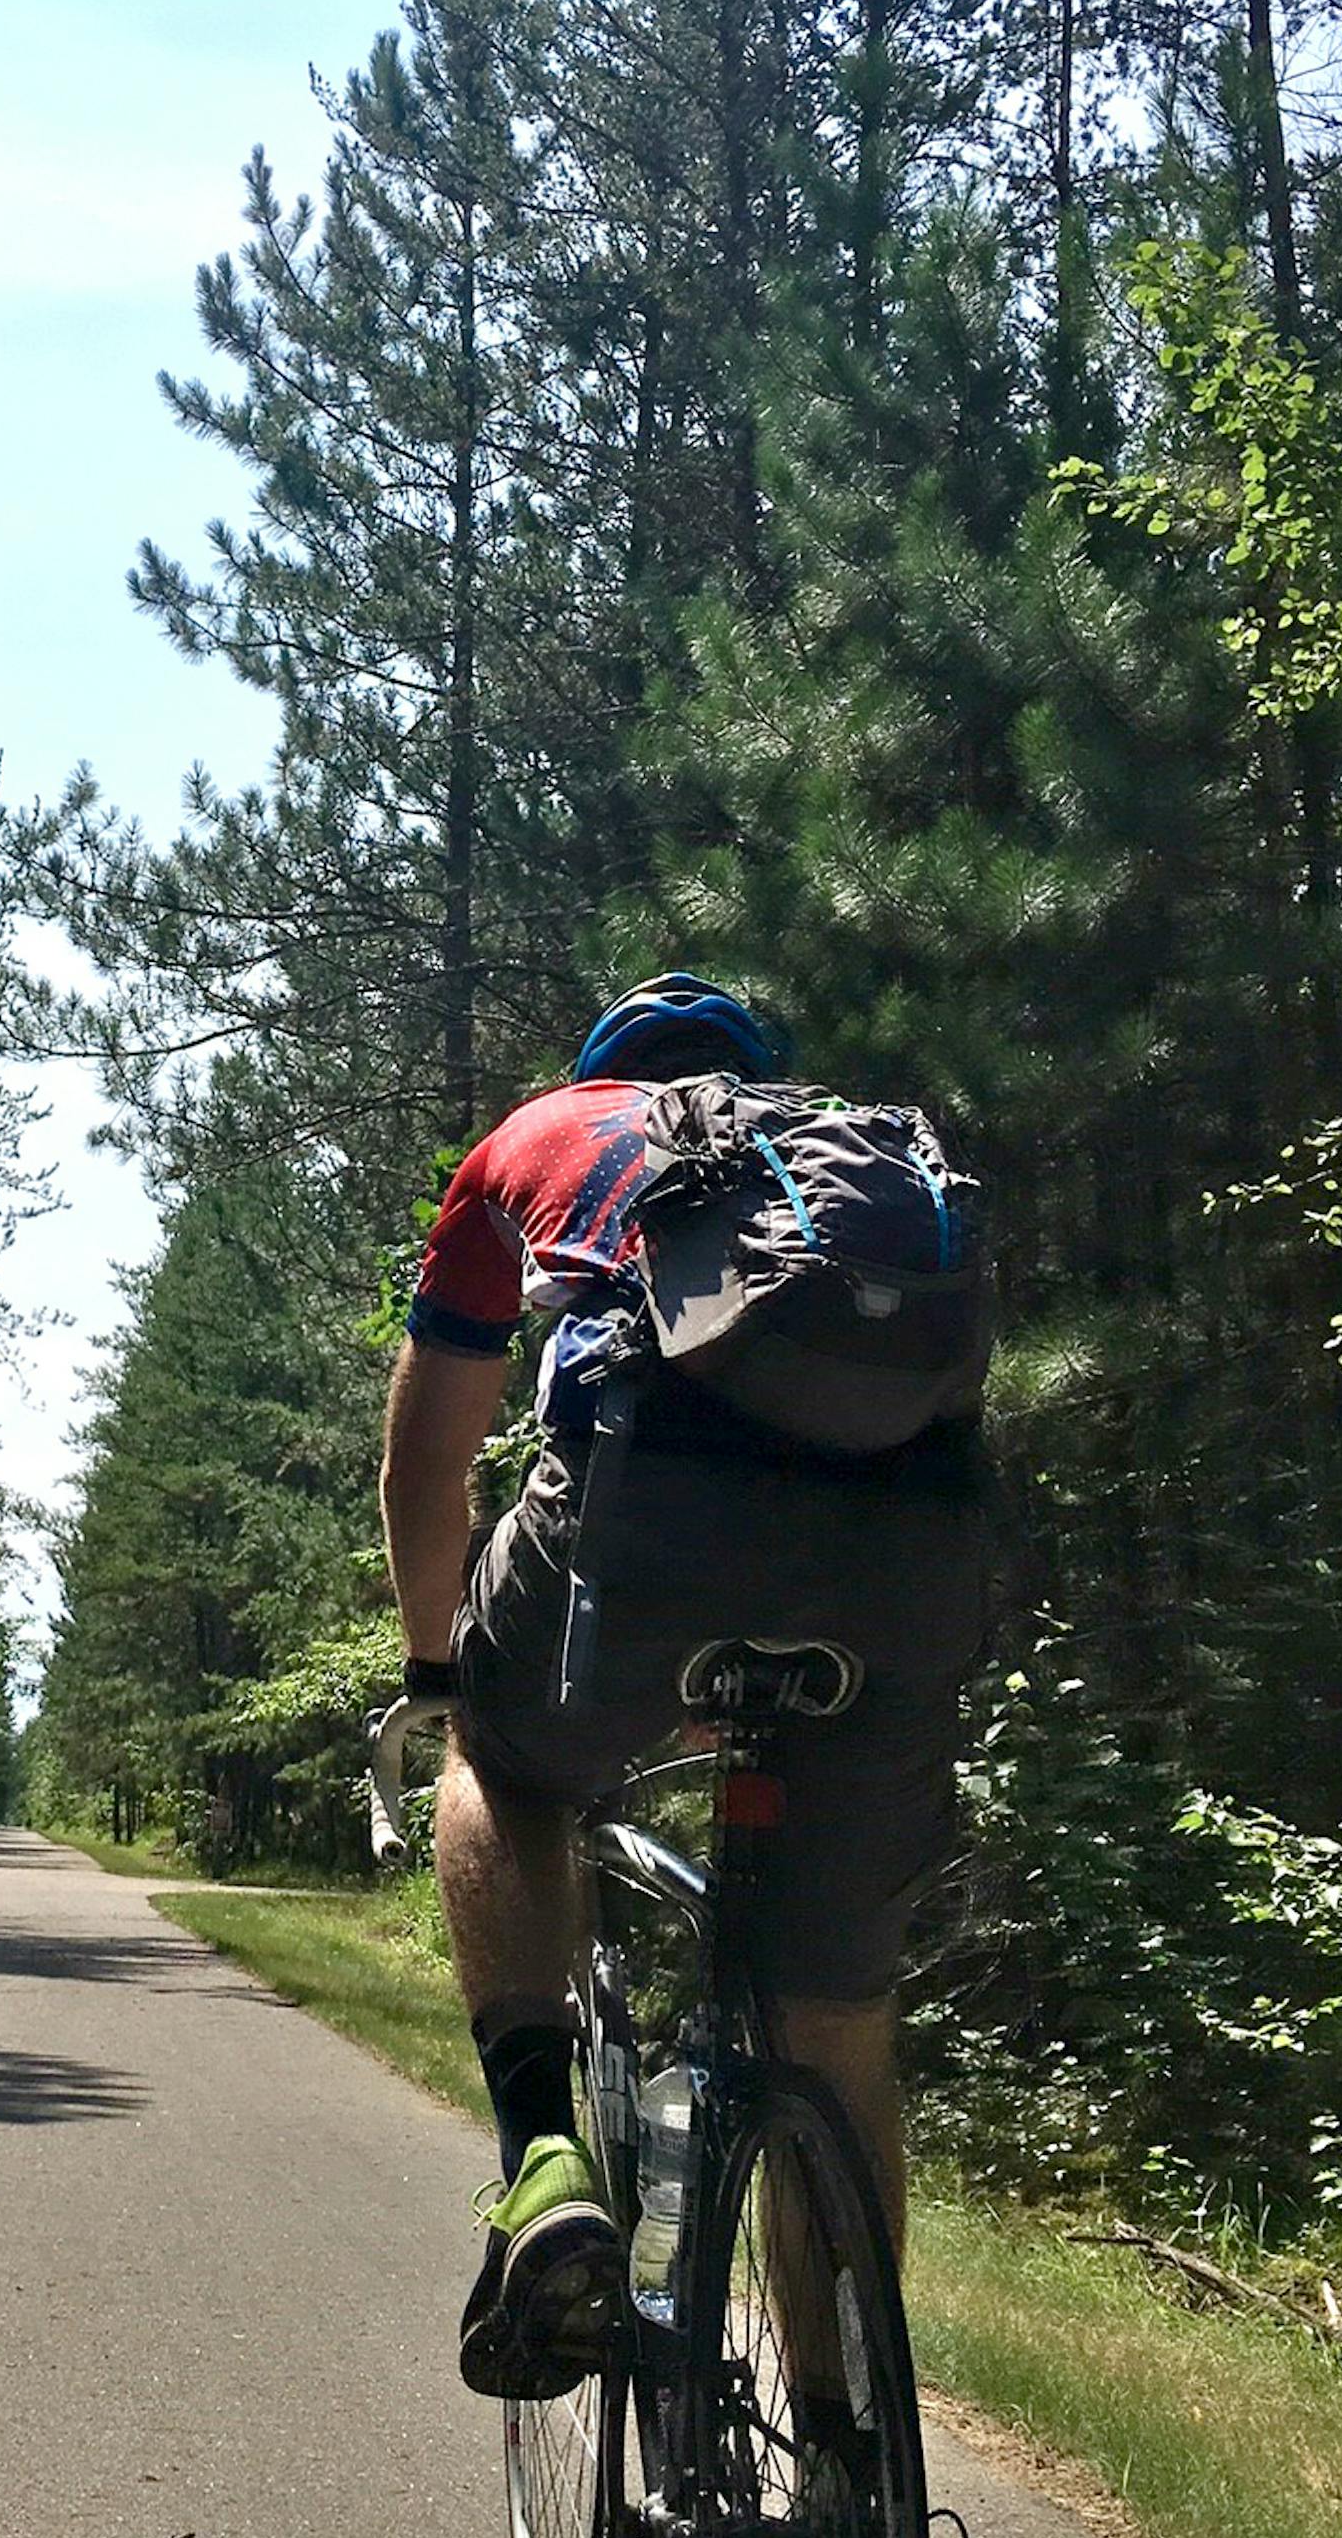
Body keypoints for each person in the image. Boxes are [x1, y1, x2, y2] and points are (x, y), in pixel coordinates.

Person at [379, 973, 993, 2413]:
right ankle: (844, 2493)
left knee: (507, 1758)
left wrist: (432, 1667)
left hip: (649, 1519)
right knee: (833, 2024)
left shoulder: (542, 1137)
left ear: (605, 1068)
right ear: (758, 1071)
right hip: (913, 1560)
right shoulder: (860, 1155)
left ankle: (544, 2164)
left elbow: (425, 1461)